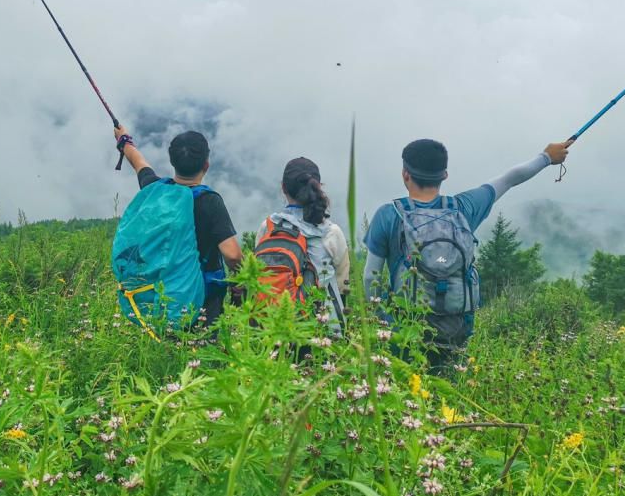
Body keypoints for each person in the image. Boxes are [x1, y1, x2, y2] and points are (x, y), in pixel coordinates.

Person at [363, 138, 571, 372]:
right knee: (448, 393)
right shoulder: (464, 208)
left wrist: (380, 319)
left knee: (405, 395)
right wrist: (546, 157)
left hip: (404, 329)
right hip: (456, 326)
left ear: (405, 174)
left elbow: (371, 277)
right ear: (445, 175)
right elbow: (509, 179)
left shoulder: (389, 215)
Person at [114, 125, 243, 327]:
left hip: (159, 289)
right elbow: (233, 255)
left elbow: (139, 164)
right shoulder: (209, 201)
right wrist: (243, 277)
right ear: (206, 165)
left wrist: (125, 142)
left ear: (172, 162)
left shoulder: (156, 191)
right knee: (201, 348)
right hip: (201, 297)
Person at [255, 157, 349, 337]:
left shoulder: (268, 227)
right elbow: (342, 283)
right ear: (319, 186)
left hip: (273, 324)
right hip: (321, 326)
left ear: (283, 187)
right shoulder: (330, 232)